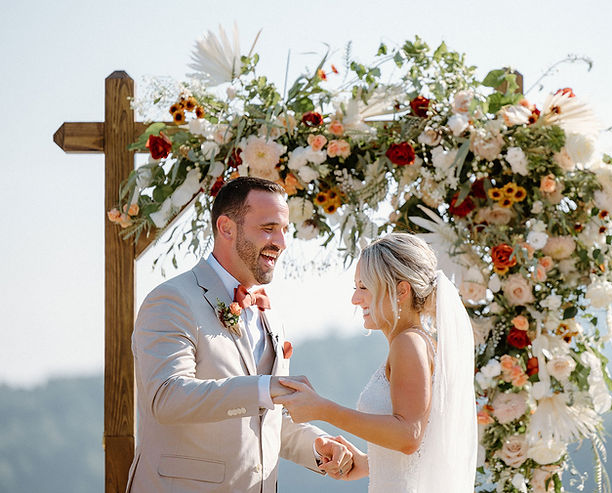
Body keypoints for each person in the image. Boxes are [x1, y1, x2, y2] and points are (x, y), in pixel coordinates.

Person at [126, 177, 353, 493]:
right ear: (226, 228)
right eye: (268, 228)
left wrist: (317, 445)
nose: (282, 242)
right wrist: (264, 388)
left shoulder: (268, 312)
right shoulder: (172, 300)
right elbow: (167, 398)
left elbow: (265, 415)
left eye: (284, 229)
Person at [275, 233, 477, 492]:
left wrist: (322, 409)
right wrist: (368, 463)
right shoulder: (416, 343)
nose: (355, 299)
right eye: (355, 288)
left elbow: (408, 436)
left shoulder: (409, 343)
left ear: (401, 290)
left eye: (365, 287)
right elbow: (423, 445)